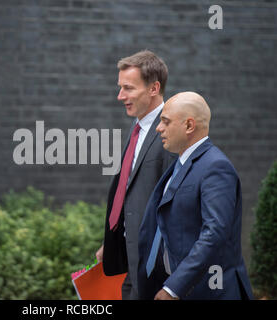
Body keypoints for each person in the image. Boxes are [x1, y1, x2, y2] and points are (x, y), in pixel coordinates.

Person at [138, 91, 254, 299]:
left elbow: (215, 232)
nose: (159, 128)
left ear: (189, 126)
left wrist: (173, 288)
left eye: (165, 121)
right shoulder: (180, 164)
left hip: (211, 292)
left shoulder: (215, 167)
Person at [95, 50, 176, 300]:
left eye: (128, 88)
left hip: (155, 264)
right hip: (130, 256)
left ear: (154, 88)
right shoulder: (138, 126)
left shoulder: (170, 131)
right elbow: (129, 190)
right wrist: (113, 239)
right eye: (120, 88)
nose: (120, 96)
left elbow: (173, 203)